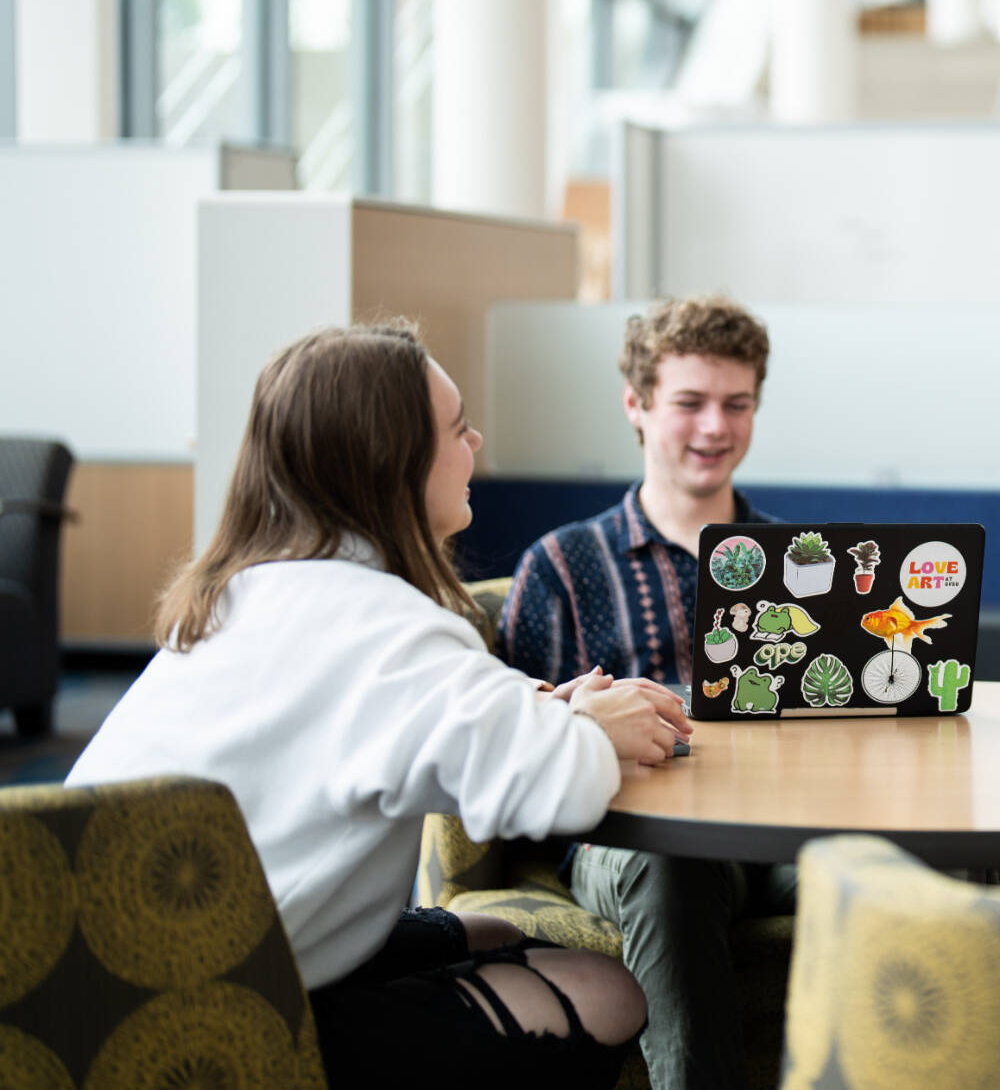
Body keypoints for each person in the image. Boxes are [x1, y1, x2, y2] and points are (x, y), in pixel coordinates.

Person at [66, 322, 694, 1087]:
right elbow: (559, 788)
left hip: (101, 993)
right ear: (392, 464)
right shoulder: (387, 628)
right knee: (608, 988)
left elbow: (402, 727)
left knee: (497, 927)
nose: (477, 440)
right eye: (458, 427)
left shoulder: (251, 594)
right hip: (206, 1019)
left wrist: (542, 718)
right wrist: (588, 726)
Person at [497, 294, 791, 1090]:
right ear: (636, 404)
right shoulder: (562, 565)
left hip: (776, 826)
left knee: (920, 858)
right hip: (627, 838)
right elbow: (508, 742)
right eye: (690, 403)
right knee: (671, 861)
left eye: (738, 404)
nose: (715, 428)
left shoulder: (796, 561)